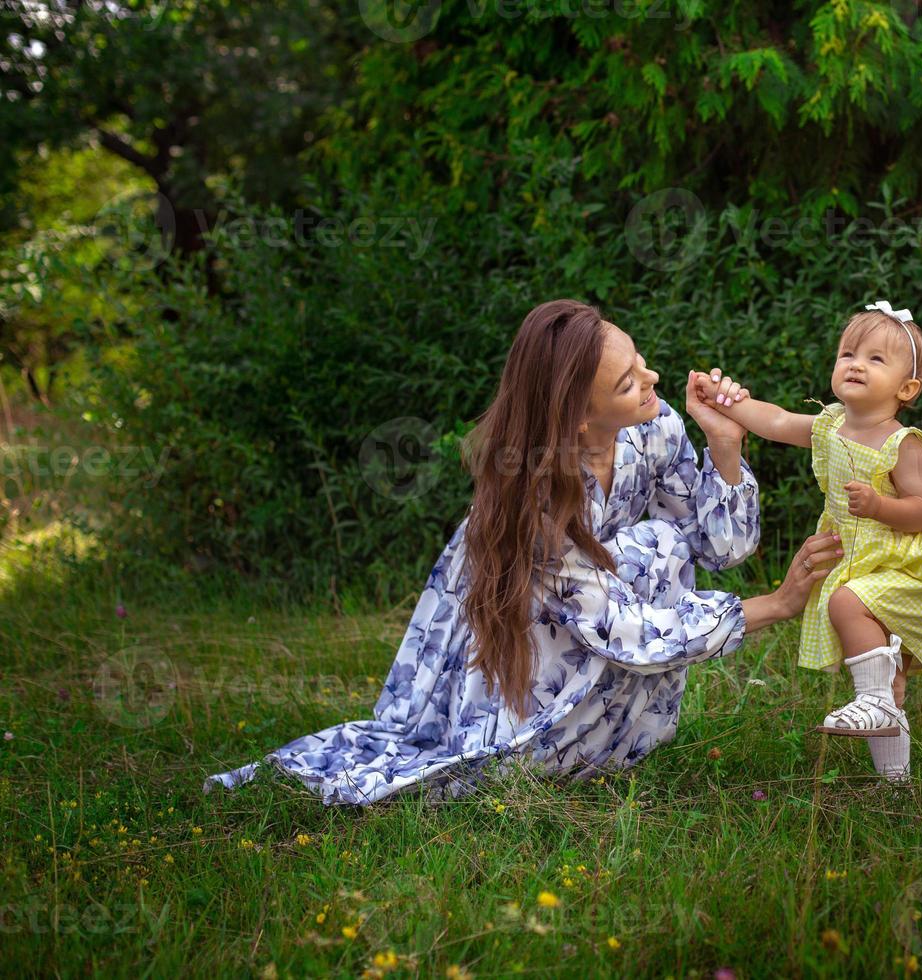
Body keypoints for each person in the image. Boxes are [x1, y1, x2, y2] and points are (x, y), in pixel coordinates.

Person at [202, 299, 840, 806]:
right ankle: (555, 745)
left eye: (640, 360)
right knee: (648, 556)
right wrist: (777, 605)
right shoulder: (539, 500)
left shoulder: (653, 425)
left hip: (596, 616)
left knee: (662, 544)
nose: (652, 378)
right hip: (521, 637)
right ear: (576, 421)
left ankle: (609, 743)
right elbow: (628, 633)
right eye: (627, 382)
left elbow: (721, 548)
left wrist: (724, 446)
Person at [696, 300, 922, 782]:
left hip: (907, 563)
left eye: (875, 359)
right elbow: (776, 421)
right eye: (848, 353)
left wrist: (882, 506)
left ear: (907, 389)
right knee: (892, 673)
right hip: (860, 558)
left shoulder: (903, 444)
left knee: (846, 603)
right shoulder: (829, 425)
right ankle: (896, 782)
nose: (855, 364)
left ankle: (872, 703)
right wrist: (725, 400)